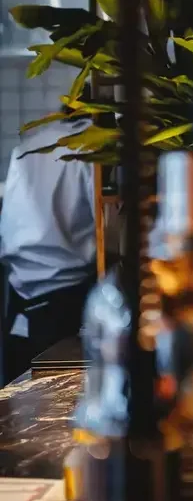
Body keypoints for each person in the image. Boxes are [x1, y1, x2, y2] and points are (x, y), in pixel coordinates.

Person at [0, 107, 98, 383]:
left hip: (19, 296)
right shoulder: (91, 150)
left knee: (15, 408)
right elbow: (105, 227)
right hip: (66, 302)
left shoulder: (29, 146)